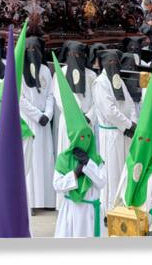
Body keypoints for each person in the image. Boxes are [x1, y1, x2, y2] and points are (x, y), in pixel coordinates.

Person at [52, 54, 106, 238]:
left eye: (87, 137)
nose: (84, 140)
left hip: (90, 215)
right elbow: (57, 184)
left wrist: (88, 165)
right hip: (71, 212)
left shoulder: (97, 159)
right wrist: (75, 172)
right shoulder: (64, 158)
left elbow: (101, 182)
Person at [52, 41, 97, 211]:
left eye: (79, 55)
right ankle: (63, 197)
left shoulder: (91, 76)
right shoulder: (61, 74)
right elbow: (59, 98)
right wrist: (75, 118)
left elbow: (95, 102)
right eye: (72, 55)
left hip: (86, 124)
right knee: (67, 156)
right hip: (69, 124)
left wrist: (88, 117)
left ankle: (85, 191)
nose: (76, 58)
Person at [92, 49, 137, 211]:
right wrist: (127, 124)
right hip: (110, 134)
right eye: (110, 62)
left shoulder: (117, 80)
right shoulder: (101, 82)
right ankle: (109, 209)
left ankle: (122, 205)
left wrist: (133, 122)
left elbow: (130, 103)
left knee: (123, 170)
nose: (114, 65)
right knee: (111, 171)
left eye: (116, 62)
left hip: (125, 133)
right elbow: (109, 111)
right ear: (103, 63)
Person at [18, 37, 56, 211]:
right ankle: (30, 202)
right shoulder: (19, 71)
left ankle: (46, 200)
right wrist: (36, 115)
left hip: (44, 122)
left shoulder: (45, 71)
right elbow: (20, 98)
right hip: (29, 122)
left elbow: (50, 94)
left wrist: (47, 114)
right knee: (30, 161)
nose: (32, 53)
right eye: (29, 50)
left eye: (36, 49)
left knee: (45, 159)